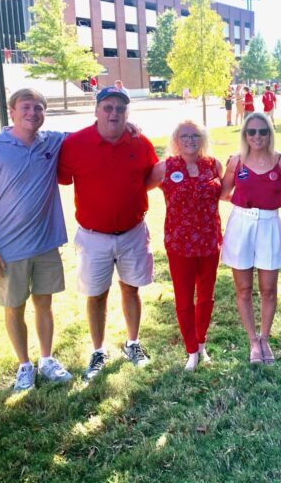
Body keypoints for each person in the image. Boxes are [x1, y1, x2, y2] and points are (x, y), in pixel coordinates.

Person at [0, 89, 72, 391]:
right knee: (14, 306)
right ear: (11, 111)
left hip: (46, 243)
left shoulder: (52, 142)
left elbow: (91, 135)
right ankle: (24, 365)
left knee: (44, 304)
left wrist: (130, 126)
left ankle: (47, 359)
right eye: (26, 107)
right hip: (8, 249)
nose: (32, 113)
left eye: (39, 108)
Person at [58, 85, 158, 381]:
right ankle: (98, 350)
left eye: (120, 109)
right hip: (93, 236)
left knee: (131, 288)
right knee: (96, 294)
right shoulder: (75, 143)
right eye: (108, 107)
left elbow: (149, 176)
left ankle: (132, 343)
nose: (114, 113)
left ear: (127, 113)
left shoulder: (140, 143)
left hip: (132, 232)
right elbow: (61, 176)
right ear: (96, 110)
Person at [220, 113, 281, 365]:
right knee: (243, 289)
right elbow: (223, 193)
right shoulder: (236, 162)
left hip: (270, 224)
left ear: (270, 133)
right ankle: (253, 341)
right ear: (245, 134)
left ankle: (265, 338)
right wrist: (245, 205)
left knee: (269, 290)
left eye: (263, 131)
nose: (257, 136)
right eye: (251, 132)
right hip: (241, 224)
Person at [148, 120, 223, 371]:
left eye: (195, 135)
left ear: (202, 139)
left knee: (206, 297)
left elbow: (226, 193)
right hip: (179, 243)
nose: (190, 140)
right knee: (184, 299)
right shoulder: (165, 167)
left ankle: (201, 343)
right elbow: (138, 187)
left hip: (210, 241)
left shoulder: (214, 165)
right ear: (176, 140)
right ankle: (191, 350)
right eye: (185, 136)